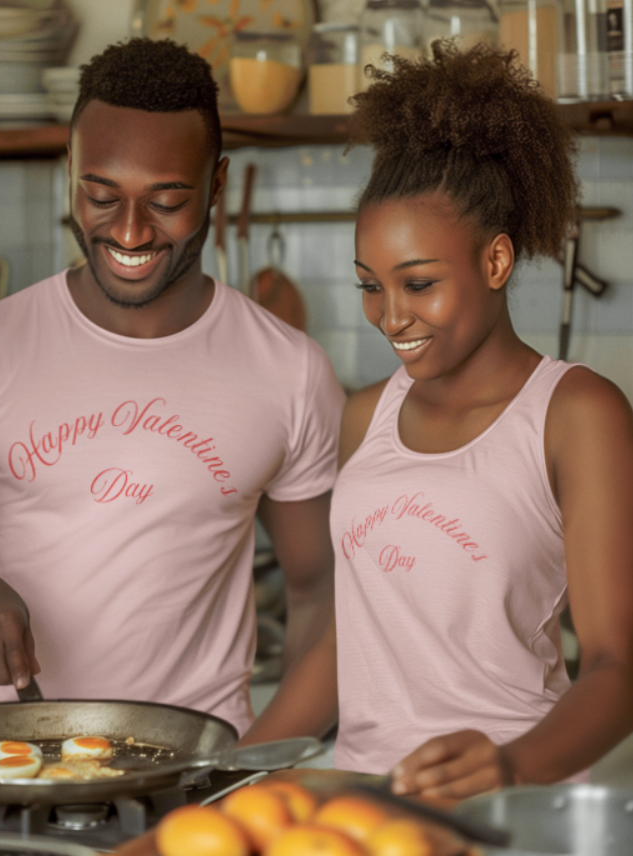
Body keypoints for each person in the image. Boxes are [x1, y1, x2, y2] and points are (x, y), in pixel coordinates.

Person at [0, 38, 345, 738]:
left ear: (217, 186)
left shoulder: (289, 370)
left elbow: (323, 588)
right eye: (100, 195)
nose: (128, 231)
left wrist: (263, 764)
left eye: (166, 200)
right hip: (18, 763)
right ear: (69, 174)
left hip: (199, 771)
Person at [245, 41, 633, 794]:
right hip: (365, 811)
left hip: (516, 813)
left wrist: (511, 763)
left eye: (417, 283)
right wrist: (222, 775)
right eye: (369, 286)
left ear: (493, 262)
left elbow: (618, 667)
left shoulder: (575, 413)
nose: (390, 318)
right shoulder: (365, 416)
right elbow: (348, 642)